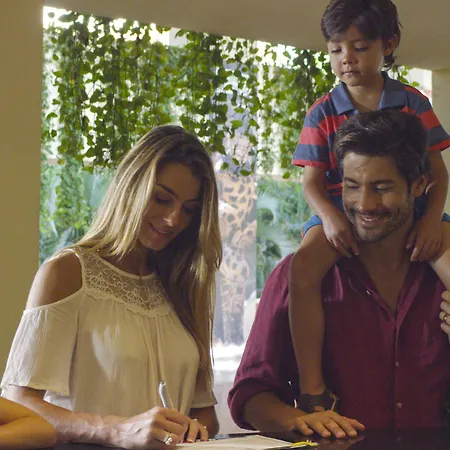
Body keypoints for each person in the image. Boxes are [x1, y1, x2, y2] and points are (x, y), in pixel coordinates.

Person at [229, 110, 450, 437]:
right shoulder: (299, 276)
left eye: (382, 188)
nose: (364, 204)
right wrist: (296, 420)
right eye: (352, 186)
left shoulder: (440, 279)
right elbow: (250, 395)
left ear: (418, 185)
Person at [1, 125, 222, 449]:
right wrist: (116, 430)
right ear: (130, 187)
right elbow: (18, 404)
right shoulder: (67, 273)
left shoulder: (183, 285)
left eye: (190, 209)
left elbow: (204, 415)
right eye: (161, 199)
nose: (174, 219)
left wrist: (192, 428)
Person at [289, 0, 450, 412]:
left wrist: (431, 219)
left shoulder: (413, 102)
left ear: (387, 45)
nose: (347, 58)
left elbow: (437, 172)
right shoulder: (322, 111)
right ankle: (312, 387)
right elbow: (310, 183)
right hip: (338, 209)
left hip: (411, 206)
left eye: (360, 47)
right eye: (335, 49)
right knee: (302, 269)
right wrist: (330, 219)